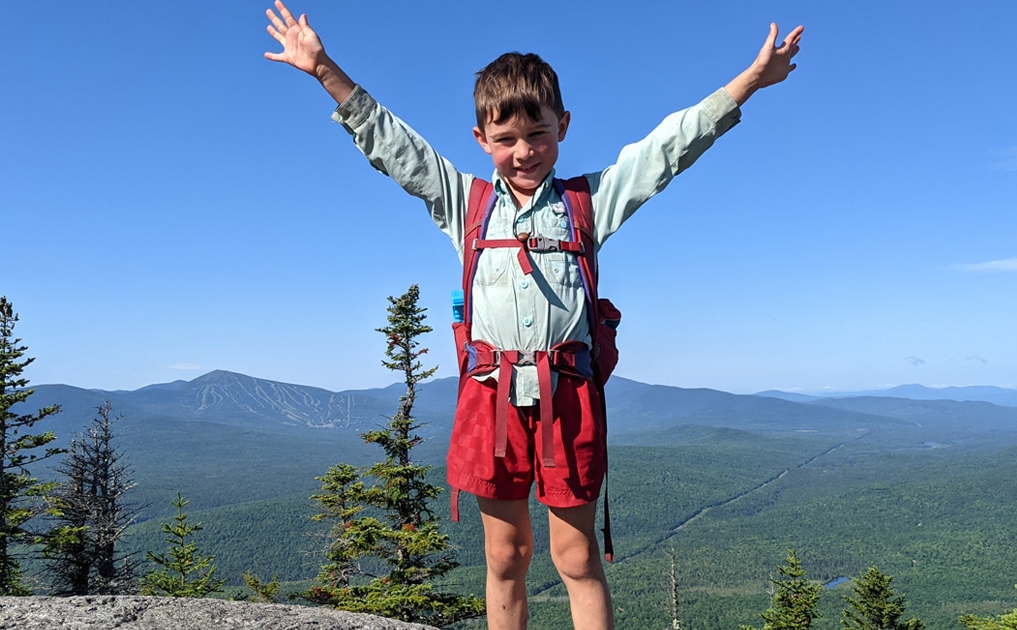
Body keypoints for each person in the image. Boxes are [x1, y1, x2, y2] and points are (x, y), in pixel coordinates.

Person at [264, 3, 802, 628]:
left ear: (563, 125)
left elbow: (668, 148)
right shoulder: (465, 203)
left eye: (537, 133)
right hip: (490, 400)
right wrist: (324, 68)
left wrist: (749, 82)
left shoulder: (588, 202)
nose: (523, 151)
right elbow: (394, 146)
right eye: (505, 139)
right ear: (481, 141)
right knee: (505, 554)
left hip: (565, 398)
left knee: (575, 558)